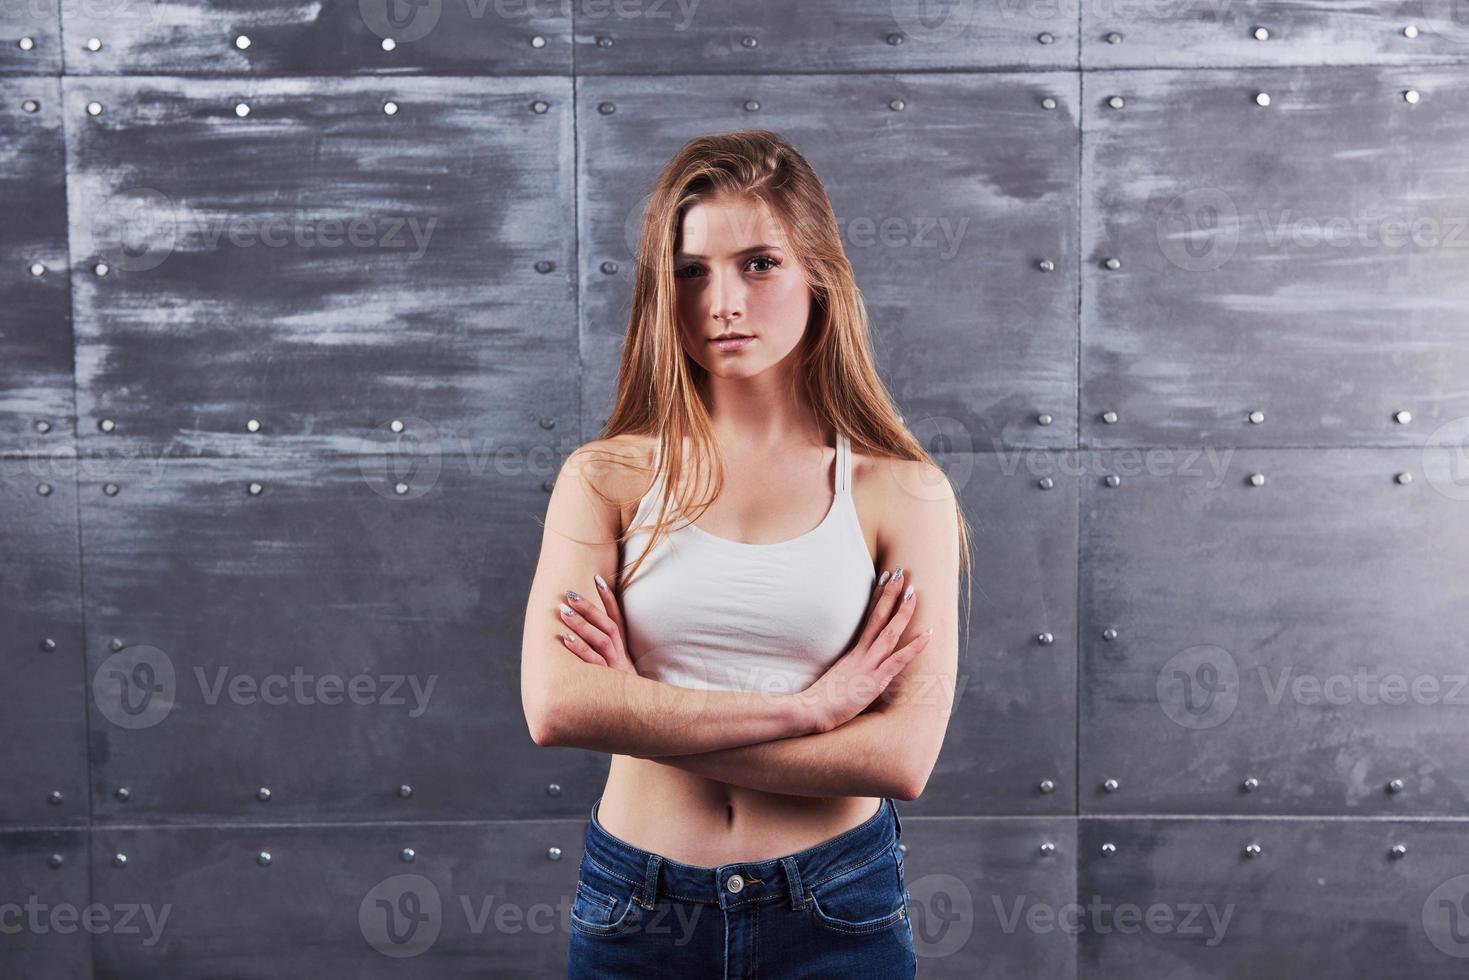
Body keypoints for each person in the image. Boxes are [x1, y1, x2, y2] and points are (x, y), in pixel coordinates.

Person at [520, 129, 969, 978]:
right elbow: (556, 706)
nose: (721, 300)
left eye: (758, 263)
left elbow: (898, 757)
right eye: (691, 270)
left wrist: (643, 709)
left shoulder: (901, 493)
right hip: (637, 909)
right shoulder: (606, 478)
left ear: (819, 275)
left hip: (836, 909)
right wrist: (810, 709)